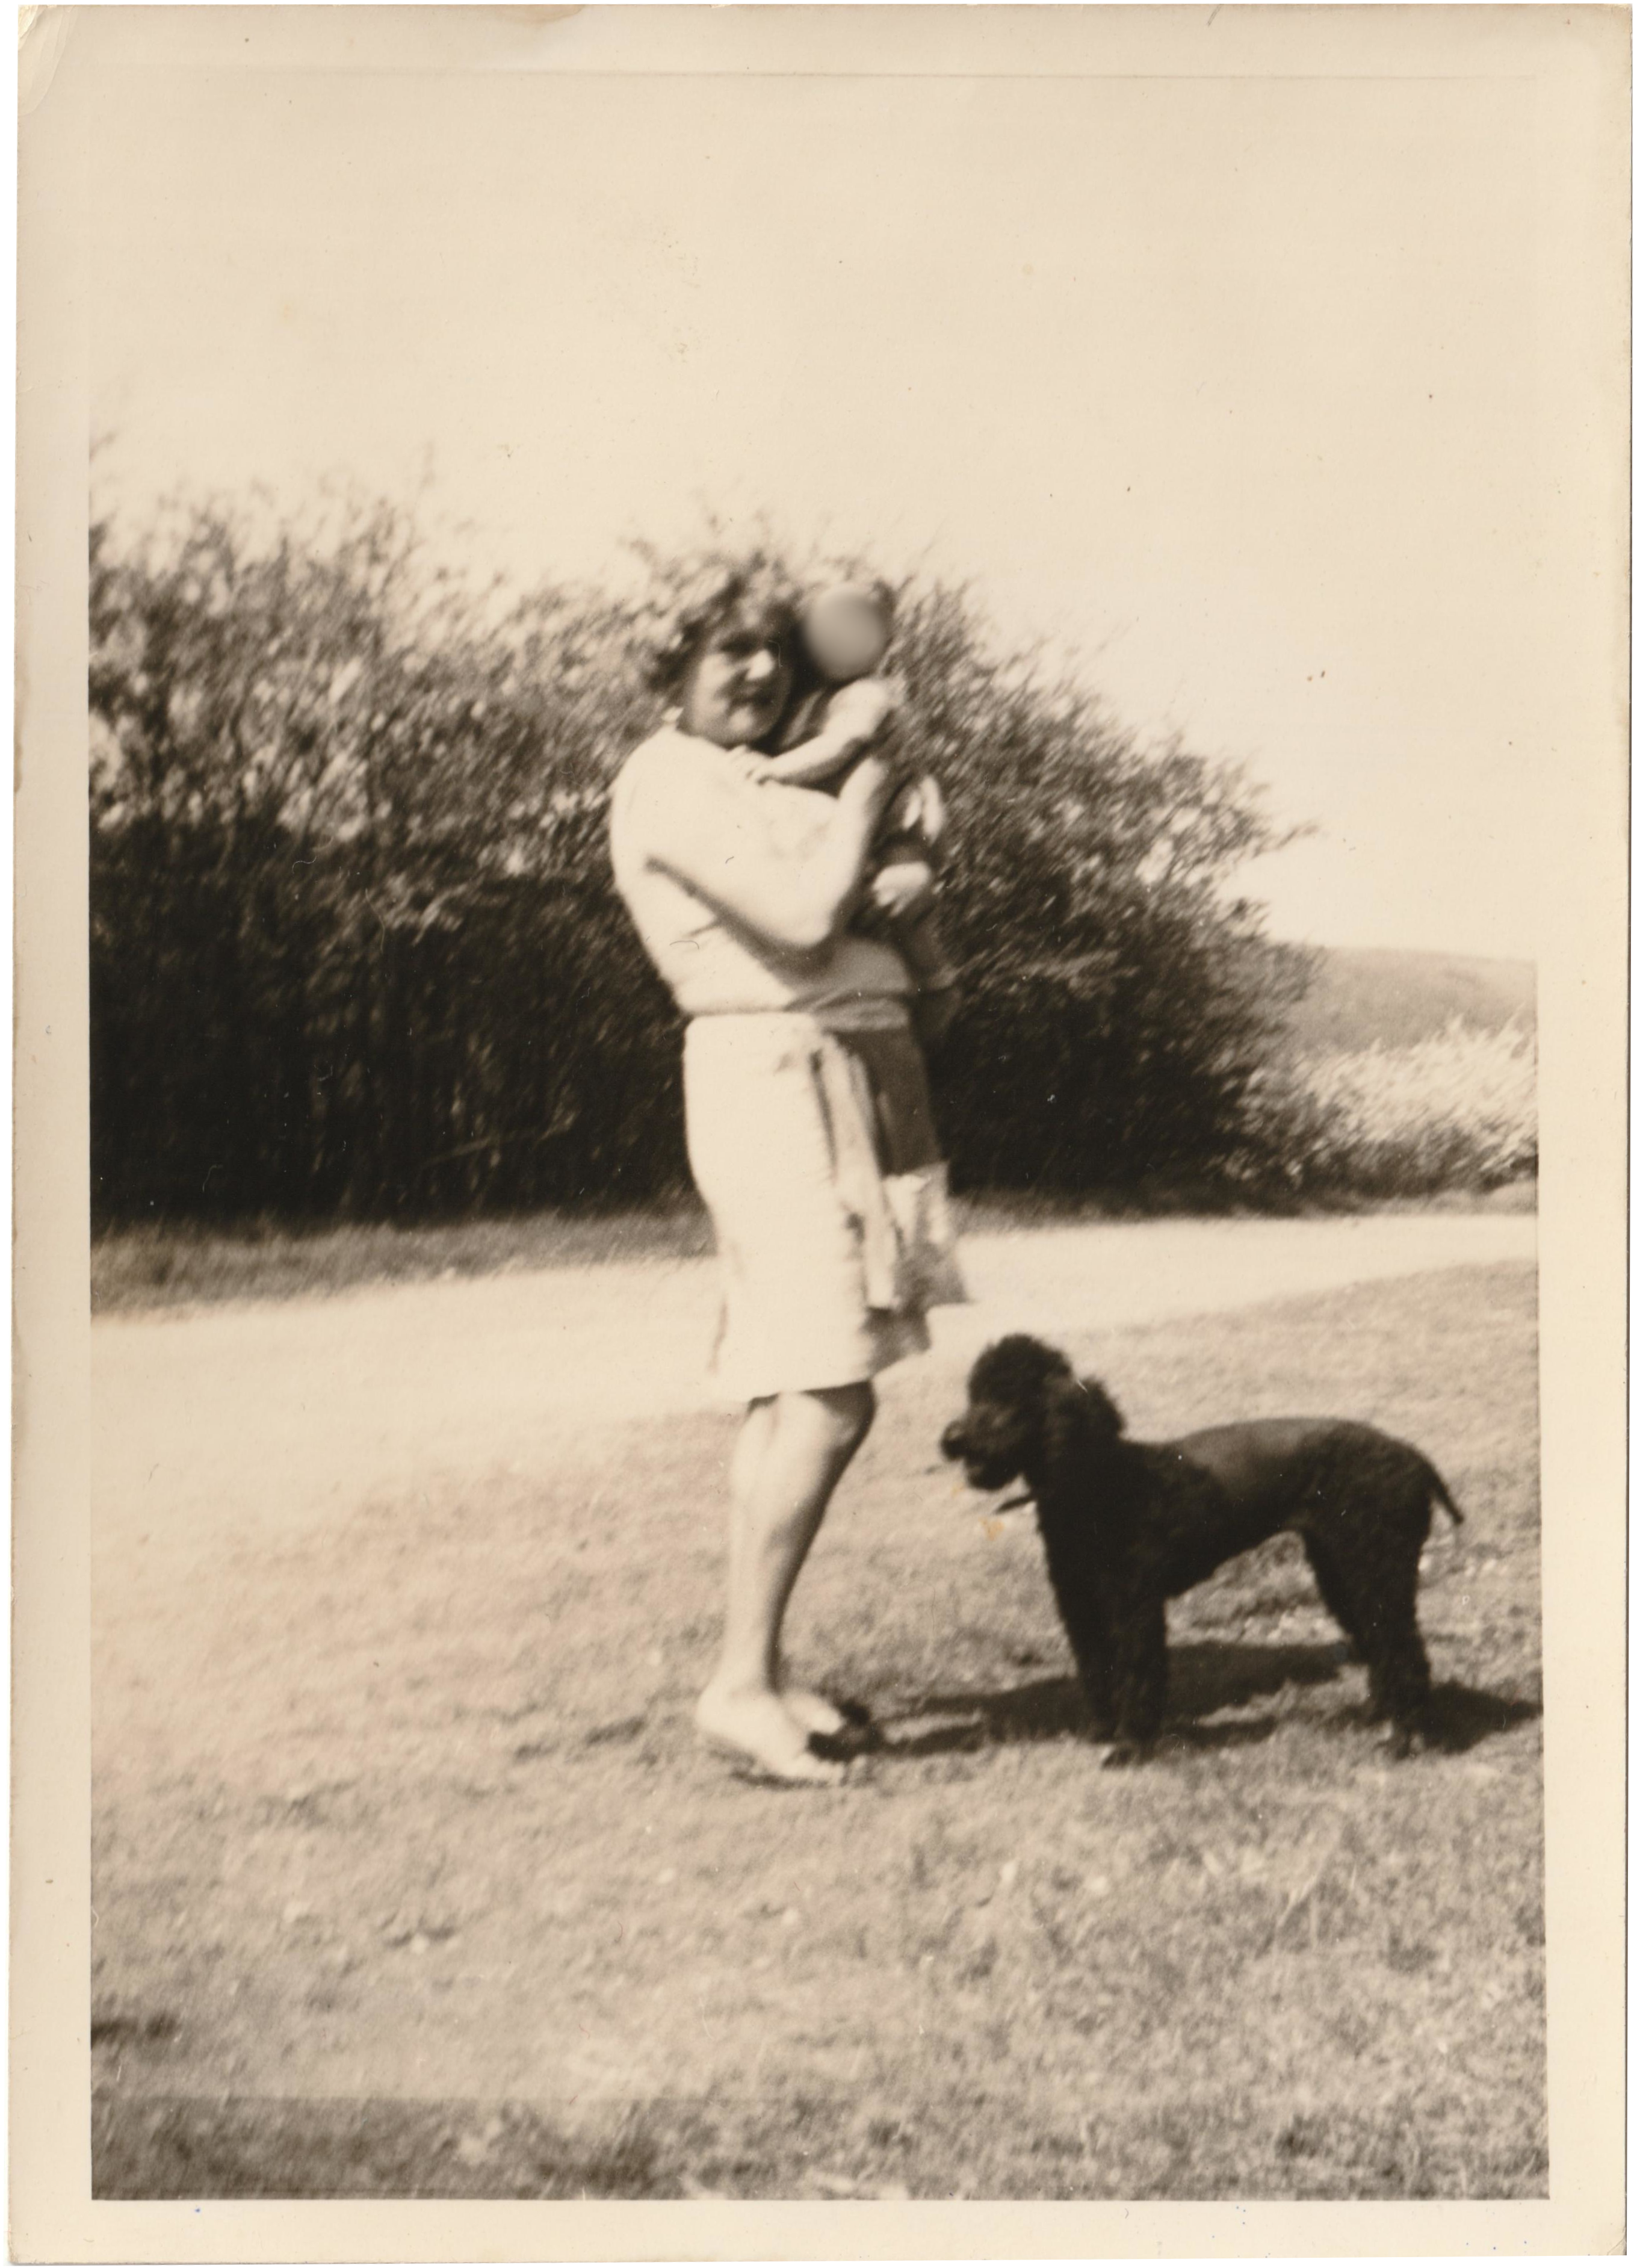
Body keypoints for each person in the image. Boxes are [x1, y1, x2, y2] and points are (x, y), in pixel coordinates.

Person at [608, 565, 964, 1785]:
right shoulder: (667, 779)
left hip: (839, 1073)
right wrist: (870, 784)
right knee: (833, 1388)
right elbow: (810, 918)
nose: (759, 670)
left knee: (789, 1391)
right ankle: (739, 1684)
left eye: (773, 650)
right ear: (674, 669)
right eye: (727, 651)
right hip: (773, 1079)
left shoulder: (750, 764)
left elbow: (873, 903)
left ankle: (755, 1673)